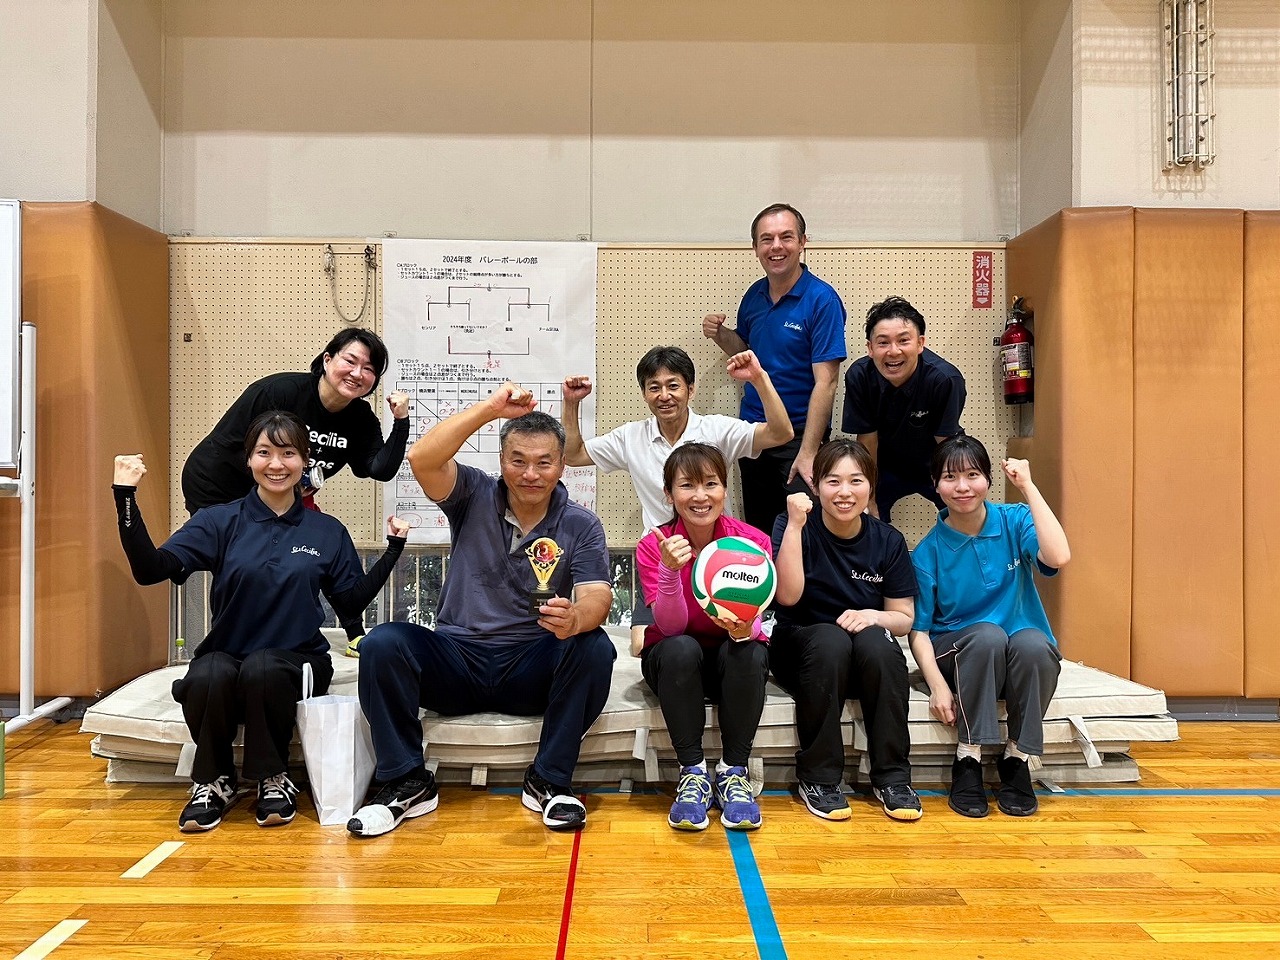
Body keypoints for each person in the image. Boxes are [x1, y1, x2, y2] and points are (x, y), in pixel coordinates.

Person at [112, 411, 407, 832]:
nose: (276, 464)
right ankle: (213, 781)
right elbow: (150, 569)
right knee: (207, 673)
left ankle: (274, 776)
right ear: (248, 460)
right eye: (264, 453)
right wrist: (125, 497)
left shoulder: (326, 530)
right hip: (230, 653)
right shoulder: (219, 521)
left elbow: (350, 600)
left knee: (263, 667)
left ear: (305, 461)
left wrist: (393, 549)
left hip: (298, 659)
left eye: (288, 453)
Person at [347, 382, 616, 838]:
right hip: (458, 659)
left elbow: (597, 596)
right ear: (501, 461)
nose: (531, 474)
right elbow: (423, 459)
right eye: (518, 460)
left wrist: (575, 618)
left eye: (544, 462)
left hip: (531, 665)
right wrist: (491, 409)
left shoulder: (580, 524)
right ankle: (406, 781)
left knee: (594, 647)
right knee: (383, 643)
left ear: (561, 465)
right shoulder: (472, 492)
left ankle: (549, 780)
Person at [180, 327, 411, 647]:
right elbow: (230, 447)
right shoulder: (279, 393)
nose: (357, 373)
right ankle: (229, 644)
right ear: (327, 360)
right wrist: (280, 480)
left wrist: (401, 422)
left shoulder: (360, 418)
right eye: (350, 361)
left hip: (281, 491)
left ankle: (354, 634)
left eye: (369, 368)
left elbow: (379, 469)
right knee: (241, 564)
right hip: (218, 484)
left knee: (314, 545)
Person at [562, 345, 792, 652]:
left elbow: (781, 433)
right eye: (654, 387)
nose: (664, 396)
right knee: (643, 646)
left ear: (690, 389)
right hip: (661, 561)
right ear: (644, 394)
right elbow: (573, 455)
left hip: (719, 560)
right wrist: (571, 403)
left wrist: (759, 378)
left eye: (673, 385)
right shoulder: (630, 436)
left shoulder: (716, 429)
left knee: (732, 639)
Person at [907, 436, 1070, 819]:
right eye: (950, 477)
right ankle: (968, 758)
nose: (962, 486)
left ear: (988, 480)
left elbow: (1058, 556)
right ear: (935, 485)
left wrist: (1028, 486)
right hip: (961, 654)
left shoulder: (1014, 519)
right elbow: (919, 631)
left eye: (972, 475)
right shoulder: (928, 551)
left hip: (1014, 658)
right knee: (986, 635)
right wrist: (937, 686)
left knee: (1034, 643)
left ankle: (1017, 758)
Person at [770, 438, 922, 822]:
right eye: (833, 481)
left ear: (870, 486)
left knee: (880, 644)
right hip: (801, 647)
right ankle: (819, 778)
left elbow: (903, 618)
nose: (844, 492)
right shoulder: (793, 525)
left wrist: (873, 616)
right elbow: (786, 596)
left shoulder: (887, 540)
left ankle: (893, 778)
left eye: (856, 481)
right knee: (830, 639)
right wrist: (795, 525)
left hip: (860, 656)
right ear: (816, 485)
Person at [634, 444, 772, 831]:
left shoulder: (752, 543)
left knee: (750, 649)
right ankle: (692, 773)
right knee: (680, 647)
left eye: (711, 484)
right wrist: (669, 571)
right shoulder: (655, 545)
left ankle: (733, 773)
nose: (700, 496)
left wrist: (745, 628)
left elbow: (757, 623)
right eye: (687, 485)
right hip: (674, 661)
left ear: (725, 490)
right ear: (669, 494)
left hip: (729, 659)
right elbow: (671, 628)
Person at [703, 203, 847, 535]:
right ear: (755, 248)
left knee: (803, 535)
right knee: (759, 532)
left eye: (786, 237)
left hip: (799, 438)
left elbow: (826, 383)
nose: (776, 246)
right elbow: (746, 352)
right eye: (767, 239)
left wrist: (809, 452)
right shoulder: (754, 295)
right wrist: (721, 335)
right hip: (754, 434)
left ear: (803, 242)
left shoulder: (822, 300)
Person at [841, 296, 966, 522]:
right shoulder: (859, 376)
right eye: (883, 343)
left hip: (934, 461)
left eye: (903, 341)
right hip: (884, 465)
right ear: (870, 348)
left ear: (920, 344)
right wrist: (869, 499)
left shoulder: (944, 379)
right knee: (867, 518)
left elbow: (946, 444)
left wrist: (958, 494)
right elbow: (867, 442)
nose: (894, 351)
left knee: (963, 511)